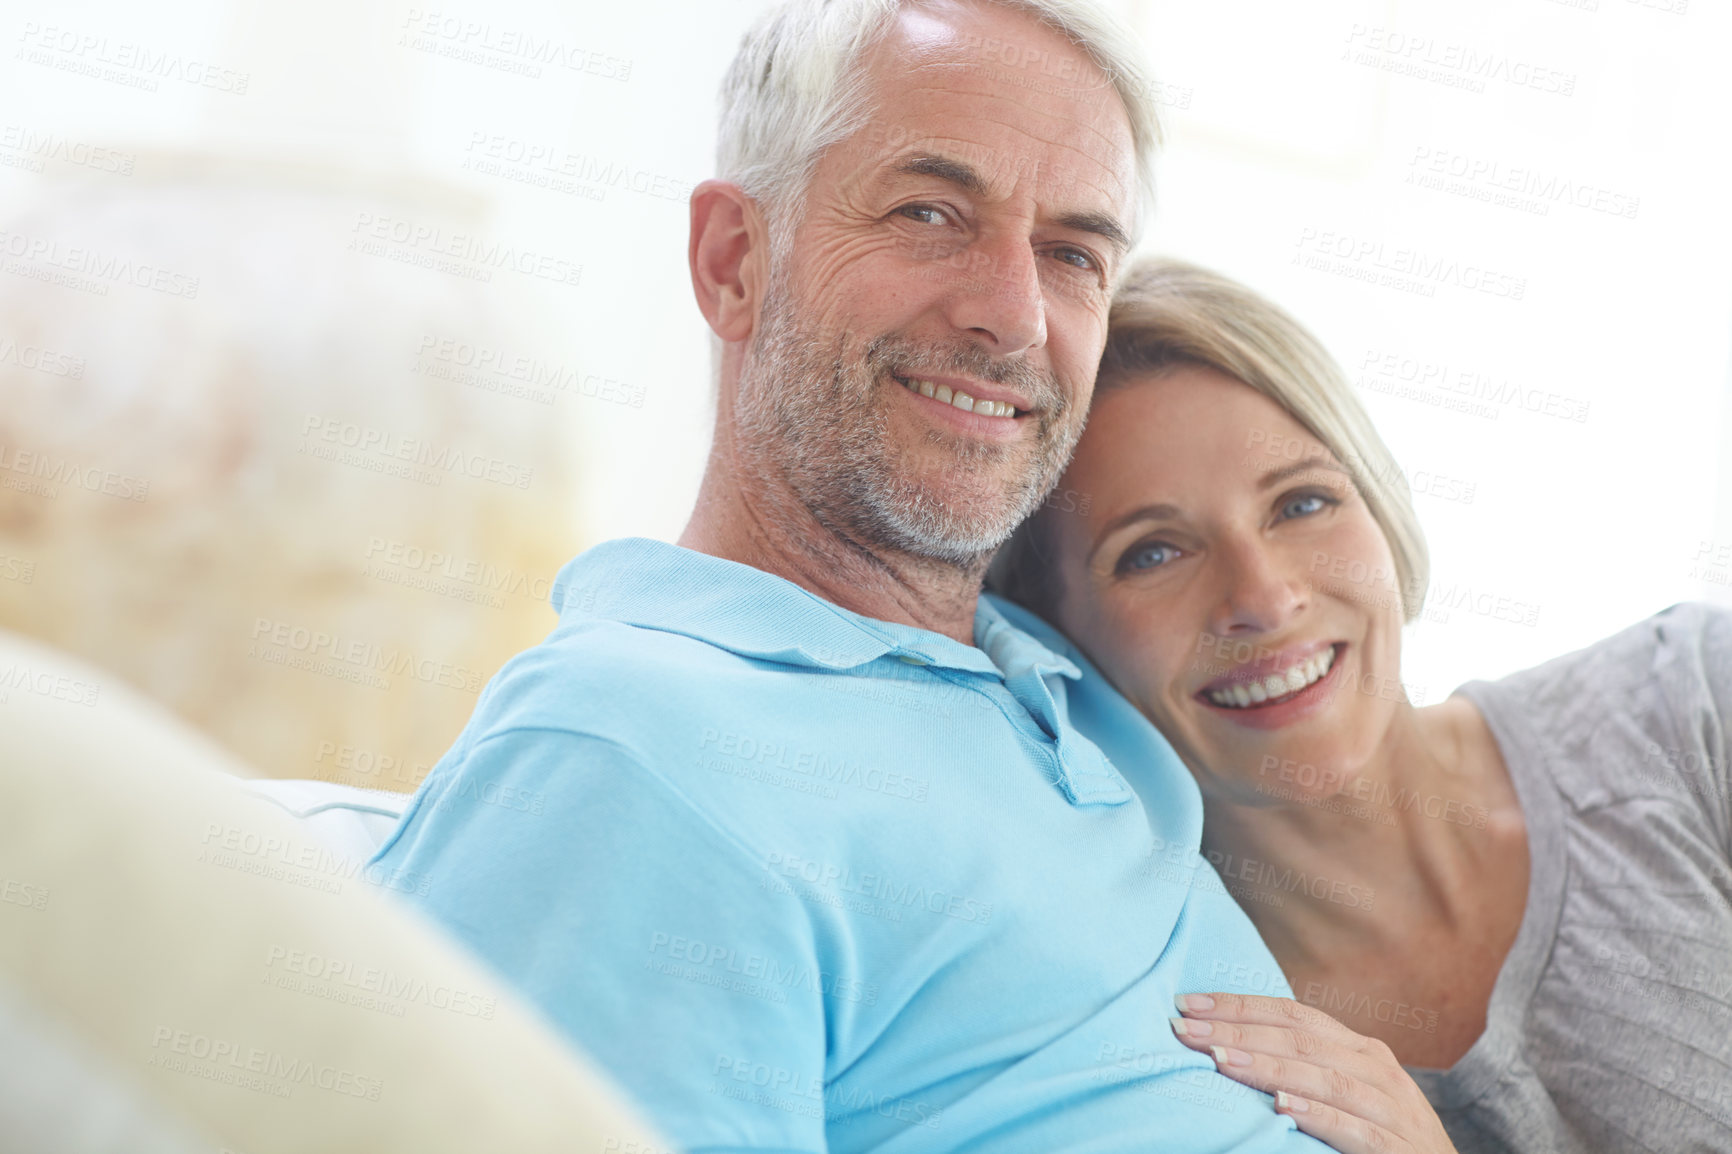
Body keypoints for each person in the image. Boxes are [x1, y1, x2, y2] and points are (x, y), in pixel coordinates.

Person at [366, 1, 1443, 1151]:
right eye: (929, 212)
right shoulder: (628, 750)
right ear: (734, 261)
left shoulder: (1063, 672)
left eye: (1073, 253)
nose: (1013, 315)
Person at [991, 257, 1732, 1153]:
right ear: (1054, 640)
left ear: (1379, 506)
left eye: (1301, 502)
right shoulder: (1172, 1034)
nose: (1263, 598)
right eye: (1152, 553)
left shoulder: (1694, 706)